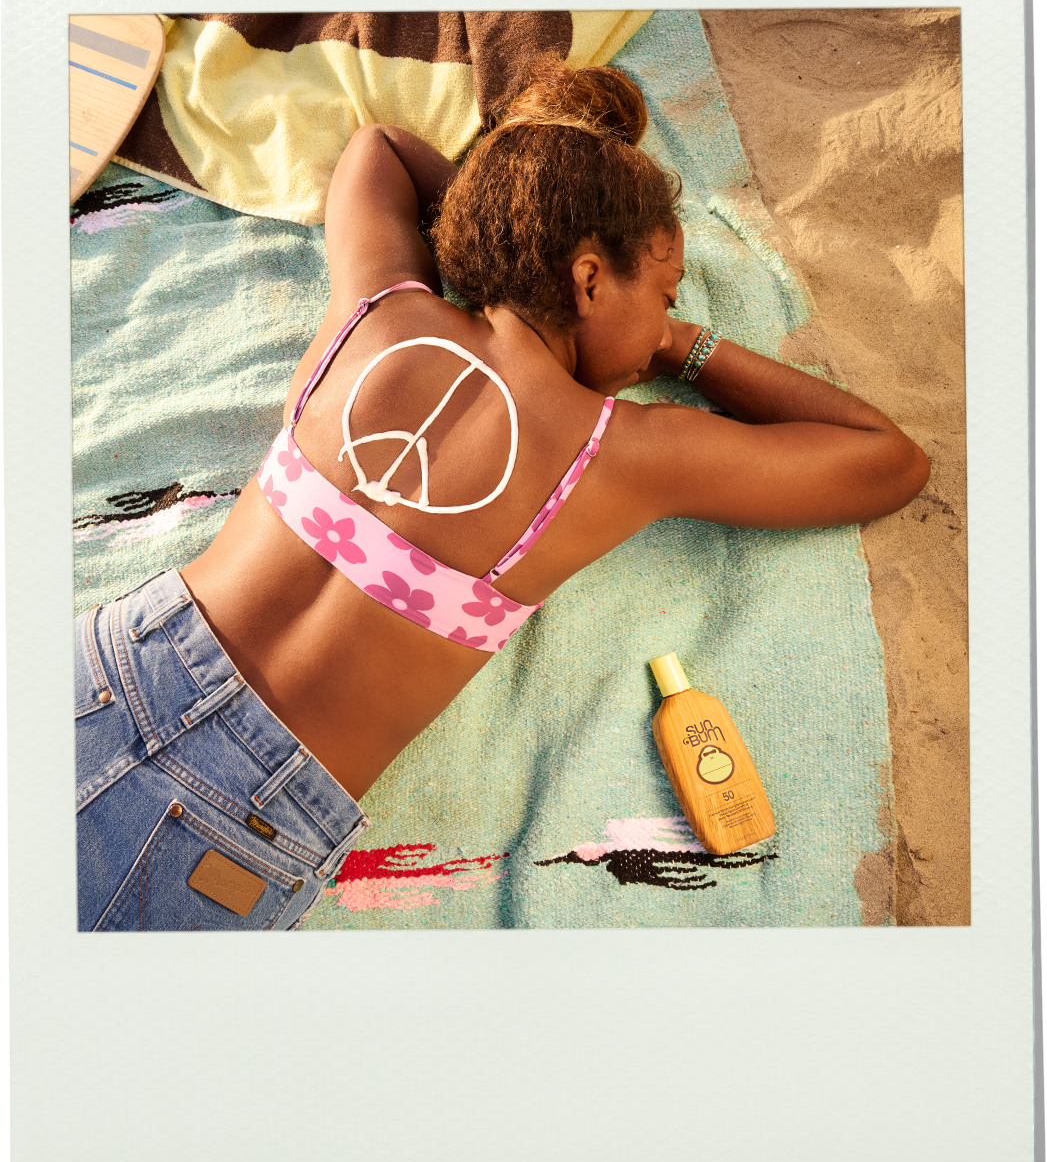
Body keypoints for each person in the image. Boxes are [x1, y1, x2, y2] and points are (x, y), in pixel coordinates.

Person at [74, 60, 929, 931]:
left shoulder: (376, 309)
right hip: (234, 818)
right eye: (663, 294)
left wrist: (509, 237)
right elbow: (887, 460)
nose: (664, 320)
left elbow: (380, 152)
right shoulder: (619, 453)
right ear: (590, 279)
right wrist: (682, 348)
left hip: (110, 670)